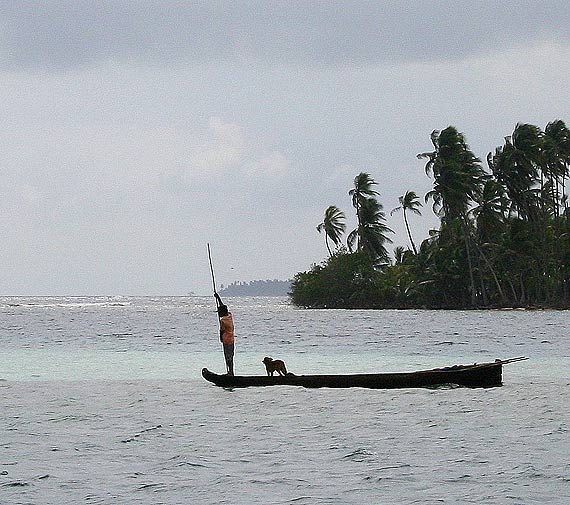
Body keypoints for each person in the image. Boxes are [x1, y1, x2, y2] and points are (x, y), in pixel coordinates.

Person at [214, 292, 235, 375]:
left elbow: (222, 330)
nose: (218, 313)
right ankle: (231, 371)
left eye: (219, 312)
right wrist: (218, 298)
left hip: (226, 340)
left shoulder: (223, 321)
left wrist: (220, 338)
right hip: (232, 339)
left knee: (228, 357)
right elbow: (223, 306)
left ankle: (230, 372)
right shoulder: (229, 315)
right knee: (231, 356)